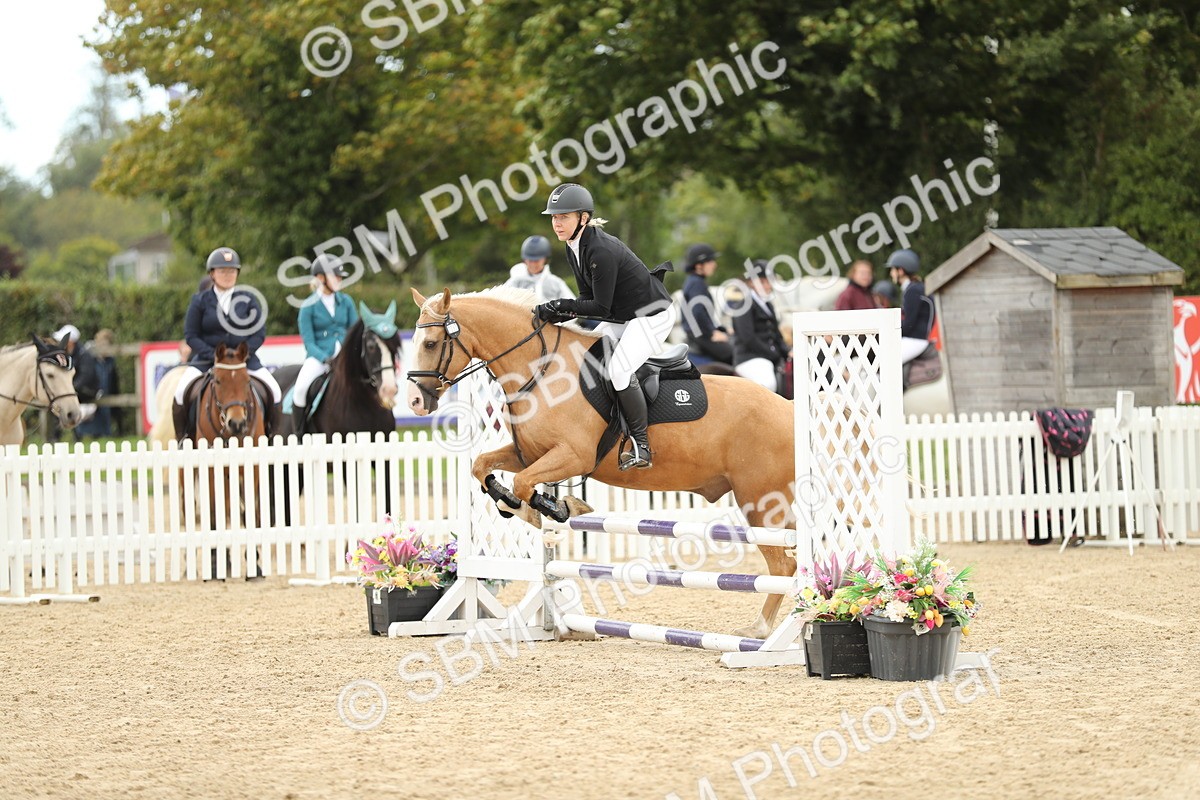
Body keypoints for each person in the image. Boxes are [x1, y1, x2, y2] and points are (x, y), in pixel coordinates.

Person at [533, 183, 676, 470]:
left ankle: (642, 445)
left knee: (619, 370)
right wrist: (556, 315)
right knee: (589, 358)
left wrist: (558, 305)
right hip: (624, 317)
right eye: (554, 217)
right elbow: (585, 298)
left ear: (583, 218)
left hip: (652, 316)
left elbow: (600, 308)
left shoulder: (600, 250)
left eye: (563, 217)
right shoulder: (574, 246)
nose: (557, 223)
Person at [172, 247, 282, 440]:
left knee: (275, 391)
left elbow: (259, 332)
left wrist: (243, 354)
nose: (228, 275)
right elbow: (191, 335)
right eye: (222, 271)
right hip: (208, 360)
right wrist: (213, 355)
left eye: (232, 271)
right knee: (181, 392)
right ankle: (183, 439)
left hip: (243, 361)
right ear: (212, 274)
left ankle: (273, 436)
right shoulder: (199, 301)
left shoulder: (248, 299)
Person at [293, 254, 359, 435]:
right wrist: (325, 359)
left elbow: (355, 333)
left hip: (346, 356)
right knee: (300, 390)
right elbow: (309, 343)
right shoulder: (308, 306)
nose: (339, 280)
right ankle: (299, 433)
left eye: (340, 277)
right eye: (334, 276)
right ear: (321, 278)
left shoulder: (346, 302)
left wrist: (351, 354)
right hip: (320, 357)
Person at [731, 259, 788, 394]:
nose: (767, 286)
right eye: (763, 282)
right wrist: (774, 354)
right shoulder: (743, 305)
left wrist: (787, 352)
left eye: (769, 282)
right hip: (750, 358)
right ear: (751, 283)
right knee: (768, 384)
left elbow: (776, 334)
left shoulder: (768, 305)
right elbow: (748, 338)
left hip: (768, 357)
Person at [679, 243, 733, 364]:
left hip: (699, 334)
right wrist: (712, 333)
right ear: (699, 266)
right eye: (710, 261)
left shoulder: (694, 281)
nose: (714, 264)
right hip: (701, 337)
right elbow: (698, 313)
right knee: (735, 353)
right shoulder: (697, 284)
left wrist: (723, 330)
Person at [886, 248, 936, 364]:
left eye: (892, 269)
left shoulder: (912, 291)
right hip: (916, 339)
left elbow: (909, 323)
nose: (891, 273)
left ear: (901, 271)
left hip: (915, 340)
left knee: (887, 363)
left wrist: (890, 332)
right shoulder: (915, 287)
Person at [74, 329, 120, 439]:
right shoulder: (89, 357)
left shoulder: (110, 361)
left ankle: (104, 434)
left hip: (105, 394)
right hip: (91, 393)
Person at [505, 235, 576, 303]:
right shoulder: (515, 282)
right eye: (530, 260)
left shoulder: (556, 283)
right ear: (524, 260)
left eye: (536, 261)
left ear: (545, 259)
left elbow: (572, 304)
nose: (533, 264)